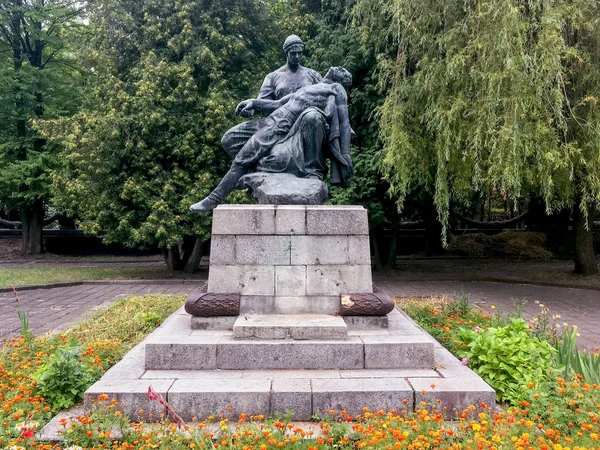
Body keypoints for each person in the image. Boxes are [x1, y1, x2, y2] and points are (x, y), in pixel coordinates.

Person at [190, 67, 353, 212]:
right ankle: (253, 172)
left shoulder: (336, 88)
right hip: (271, 120)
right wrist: (253, 103)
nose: (338, 67)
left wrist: (345, 154)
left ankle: (213, 200)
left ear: (341, 79)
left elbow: (344, 123)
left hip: (282, 125)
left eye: (342, 70)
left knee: (241, 160)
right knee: (231, 140)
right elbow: (277, 103)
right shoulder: (311, 87)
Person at [221, 35, 324, 158]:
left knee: (313, 118)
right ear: (287, 53)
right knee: (229, 139)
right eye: (293, 53)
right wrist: (251, 110)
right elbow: (263, 102)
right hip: (276, 122)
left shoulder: (312, 75)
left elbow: (326, 98)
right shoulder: (273, 77)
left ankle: (310, 165)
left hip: (305, 122)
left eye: (300, 53)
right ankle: (257, 166)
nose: (297, 56)